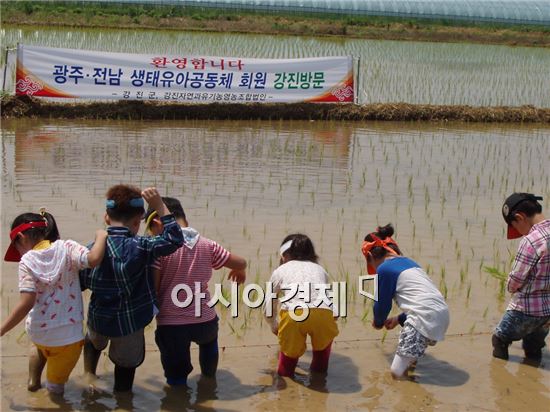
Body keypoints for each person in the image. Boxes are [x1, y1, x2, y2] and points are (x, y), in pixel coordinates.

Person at [80, 185, 184, 392]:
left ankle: (89, 375)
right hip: (130, 323)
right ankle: (123, 400)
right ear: (138, 222)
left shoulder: (91, 249)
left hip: (98, 318)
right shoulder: (143, 246)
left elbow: (81, 283)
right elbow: (175, 239)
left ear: (106, 218)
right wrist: (159, 206)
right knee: (126, 366)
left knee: (93, 342)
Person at [1, 209, 107, 394]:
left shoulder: (26, 261)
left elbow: (26, 303)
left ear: (20, 237)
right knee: (56, 388)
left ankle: (33, 382)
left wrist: (2, 329)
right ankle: (52, 395)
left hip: (39, 332)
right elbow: (93, 259)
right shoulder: (67, 247)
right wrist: (101, 236)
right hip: (68, 338)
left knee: (37, 346)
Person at [145, 197, 247, 386]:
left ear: (157, 223)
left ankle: (178, 397)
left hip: (172, 325)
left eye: (150, 230)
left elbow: (155, 288)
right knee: (208, 347)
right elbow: (240, 262)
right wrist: (240, 269)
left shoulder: (159, 250)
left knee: (176, 379)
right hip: (205, 320)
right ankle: (209, 380)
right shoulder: (207, 245)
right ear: (185, 219)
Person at [362, 224, 449, 379]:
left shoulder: (385, 269)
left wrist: (378, 322)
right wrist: (398, 319)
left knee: (396, 372)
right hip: (442, 314)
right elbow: (421, 302)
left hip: (423, 318)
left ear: (369, 256)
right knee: (409, 360)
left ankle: (413, 399)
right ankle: (411, 370)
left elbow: (382, 304)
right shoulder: (411, 263)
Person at [264, 234, 339, 377]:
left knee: (288, 358)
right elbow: (327, 296)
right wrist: (334, 313)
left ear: (285, 254)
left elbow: (268, 303)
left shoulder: (280, 271)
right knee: (322, 352)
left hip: (294, 314)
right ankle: (319, 381)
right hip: (323, 313)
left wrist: (274, 325)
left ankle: (285, 389)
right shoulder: (319, 269)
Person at [492, 193, 550, 361]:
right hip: (547, 312)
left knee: (500, 339)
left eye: (514, 226)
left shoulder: (531, 240)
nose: (518, 232)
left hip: (525, 309)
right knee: (533, 345)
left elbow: (516, 279)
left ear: (520, 217)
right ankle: (531, 380)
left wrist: (509, 286)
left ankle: (500, 380)